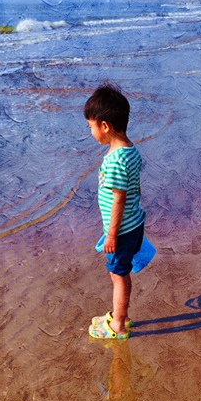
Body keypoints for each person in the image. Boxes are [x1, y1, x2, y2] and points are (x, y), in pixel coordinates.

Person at [84, 85, 146, 339]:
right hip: (134, 223)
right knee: (121, 271)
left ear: (105, 126)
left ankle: (118, 325)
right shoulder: (131, 151)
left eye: (91, 126)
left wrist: (111, 235)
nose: (91, 131)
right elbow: (136, 189)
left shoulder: (114, 162)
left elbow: (118, 200)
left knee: (118, 275)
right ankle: (122, 316)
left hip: (121, 230)